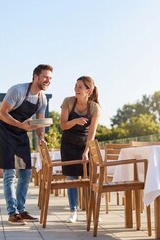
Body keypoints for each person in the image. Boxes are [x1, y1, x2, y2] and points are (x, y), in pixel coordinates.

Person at [0, 64, 53, 225]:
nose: (48, 80)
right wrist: (21, 125)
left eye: (50, 78)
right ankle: (12, 213)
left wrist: (41, 137)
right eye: (45, 77)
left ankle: (21, 210)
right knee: (9, 174)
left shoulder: (42, 98)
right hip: (5, 132)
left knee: (26, 173)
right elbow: (1, 113)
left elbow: (40, 121)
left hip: (21, 134)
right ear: (35, 77)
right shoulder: (17, 90)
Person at [60, 76, 100, 223]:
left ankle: (93, 211)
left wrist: (86, 151)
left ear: (88, 90)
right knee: (72, 179)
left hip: (85, 144)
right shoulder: (68, 102)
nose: (76, 89)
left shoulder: (94, 107)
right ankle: (73, 212)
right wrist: (76, 121)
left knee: (89, 179)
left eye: (80, 87)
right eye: (75, 86)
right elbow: (63, 125)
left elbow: (92, 133)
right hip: (68, 145)